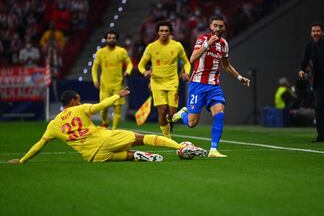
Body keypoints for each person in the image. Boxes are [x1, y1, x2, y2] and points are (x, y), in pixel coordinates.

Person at [7, 88, 207, 164]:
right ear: (74, 101)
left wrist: (22, 161)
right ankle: (181, 147)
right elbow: (101, 106)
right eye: (78, 99)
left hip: (93, 157)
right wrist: (116, 96)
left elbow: (39, 146)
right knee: (142, 138)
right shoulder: (79, 109)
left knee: (127, 153)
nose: (79, 101)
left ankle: (140, 157)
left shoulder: (52, 125)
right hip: (103, 139)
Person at [172, 16, 251, 157]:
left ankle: (213, 149)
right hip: (198, 85)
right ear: (210, 26)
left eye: (221, 26)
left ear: (224, 28)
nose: (218, 29)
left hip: (214, 86)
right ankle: (183, 114)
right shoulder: (202, 39)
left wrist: (240, 77)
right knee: (192, 123)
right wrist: (208, 44)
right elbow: (192, 58)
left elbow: (226, 65)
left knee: (219, 112)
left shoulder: (224, 44)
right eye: (215, 25)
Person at [138, 21, 191, 139]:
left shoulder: (177, 46)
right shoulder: (151, 47)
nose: (164, 33)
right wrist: (145, 72)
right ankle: (167, 137)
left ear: (170, 32)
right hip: (157, 83)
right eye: (161, 31)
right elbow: (141, 65)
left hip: (172, 83)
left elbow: (186, 62)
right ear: (157, 32)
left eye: (166, 31)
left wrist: (187, 72)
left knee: (172, 115)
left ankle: (179, 114)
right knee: (162, 111)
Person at [92, 29, 133, 129]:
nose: (111, 40)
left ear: (116, 39)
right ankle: (105, 123)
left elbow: (129, 63)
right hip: (104, 86)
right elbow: (94, 67)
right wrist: (95, 80)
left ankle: (114, 131)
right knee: (103, 108)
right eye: (109, 38)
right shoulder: (100, 52)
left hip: (118, 85)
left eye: (113, 38)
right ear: (106, 39)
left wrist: (128, 71)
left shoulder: (121, 51)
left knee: (117, 109)